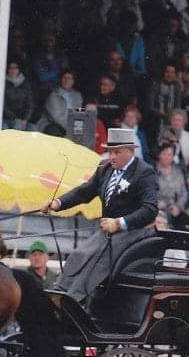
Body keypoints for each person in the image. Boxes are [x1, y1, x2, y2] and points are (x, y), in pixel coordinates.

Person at [41, 128, 158, 303]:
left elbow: (150, 210)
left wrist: (119, 223)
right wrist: (58, 203)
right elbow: (84, 192)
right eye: (110, 151)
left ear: (130, 151)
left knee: (97, 260)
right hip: (107, 232)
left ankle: (74, 301)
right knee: (79, 254)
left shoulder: (144, 172)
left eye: (117, 152)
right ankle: (60, 292)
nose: (112, 157)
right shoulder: (105, 168)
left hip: (134, 232)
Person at [35, 70, 82, 136]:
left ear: (73, 81)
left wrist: (78, 130)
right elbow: (57, 117)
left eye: (69, 78)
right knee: (55, 131)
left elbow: (79, 114)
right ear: (61, 80)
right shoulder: (54, 95)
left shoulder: (77, 95)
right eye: (64, 78)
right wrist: (71, 130)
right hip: (52, 124)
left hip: (70, 127)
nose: (66, 80)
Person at [2, 60, 35, 131]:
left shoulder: (26, 82)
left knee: (33, 128)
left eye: (15, 67)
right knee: (15, 126)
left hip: (23, 117)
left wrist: (26, 118)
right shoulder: (2, 82)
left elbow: (30, 103)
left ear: (19, 69)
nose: (13, 70)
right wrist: (14, 117)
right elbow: (3, 104)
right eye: (10, 68)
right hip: (7, 117)